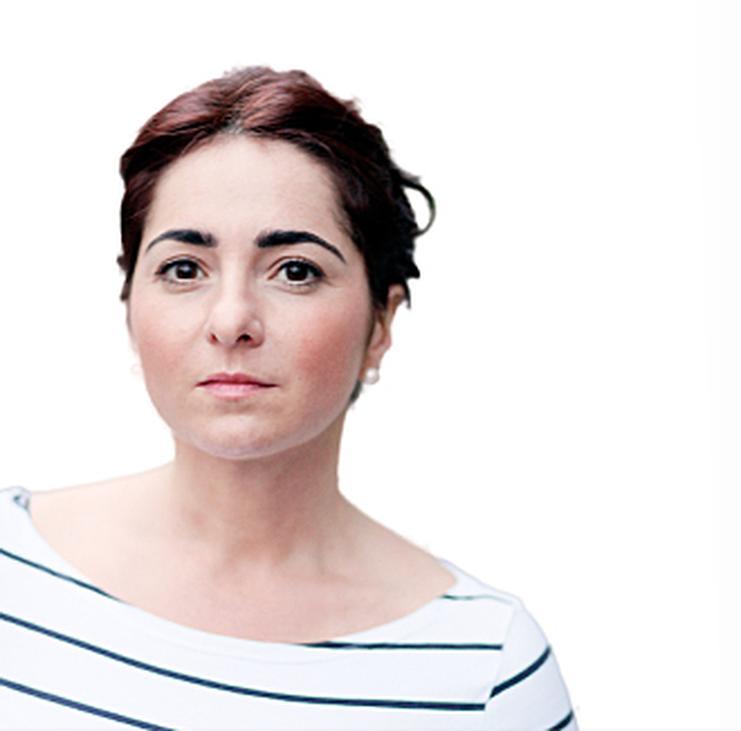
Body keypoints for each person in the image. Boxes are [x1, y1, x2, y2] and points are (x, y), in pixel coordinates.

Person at [0, 66, 577, 729]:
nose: (231, 320)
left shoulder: (487, 668)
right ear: (131, 306)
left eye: (295, 271)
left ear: (381, 322)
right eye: (184, 269)